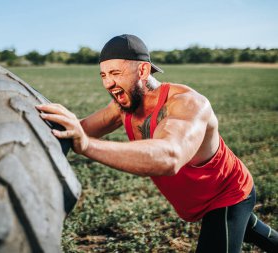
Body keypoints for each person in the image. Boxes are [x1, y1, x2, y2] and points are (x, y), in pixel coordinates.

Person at [36, 34, 278, 252]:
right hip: (197, 201)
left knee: (228, 226)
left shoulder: (187, 103)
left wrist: (86, 145)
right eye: (104, 75)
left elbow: (170, 156)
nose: (108, 83)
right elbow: (79, 129)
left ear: (142, 71)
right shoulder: (123, 106)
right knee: (253, 231)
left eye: (116, 74)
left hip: (226, 194)